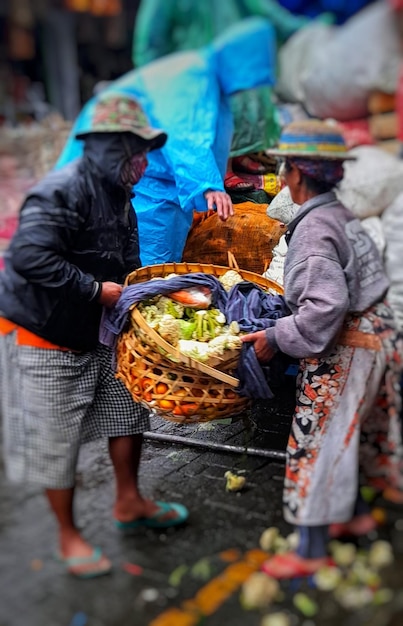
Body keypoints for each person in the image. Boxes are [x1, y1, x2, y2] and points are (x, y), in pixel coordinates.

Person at [0, 94, 189, 579]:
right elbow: (28, 258)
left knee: (127, 414)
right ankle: (68, 536)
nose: (145, 164)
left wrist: (145, 295)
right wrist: (95, 291)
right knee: (55, 444)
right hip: (44, 332)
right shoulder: (60, 190)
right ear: (112, 150)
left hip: (100, 329)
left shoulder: (120, 194)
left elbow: (128, 260)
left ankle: (129, 502)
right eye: (138, 153)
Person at [241, 119, 403, 578]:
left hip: (350, 343)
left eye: (282, 168)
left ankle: (310, 549)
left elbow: (324, 310)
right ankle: (352, 514)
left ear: (294, 173)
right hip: (378, 334)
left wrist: (275, 338)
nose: (279, 176)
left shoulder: (312, 231)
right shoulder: (340, 214)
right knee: (344, 433)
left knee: (315, 438)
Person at [56, 18, 278, 266]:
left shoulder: (213, 81)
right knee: (139, 260)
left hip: (160, 181)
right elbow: (183, 132)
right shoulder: (189, 75)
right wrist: (207, 184)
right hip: (142, 180)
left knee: (159, 262)